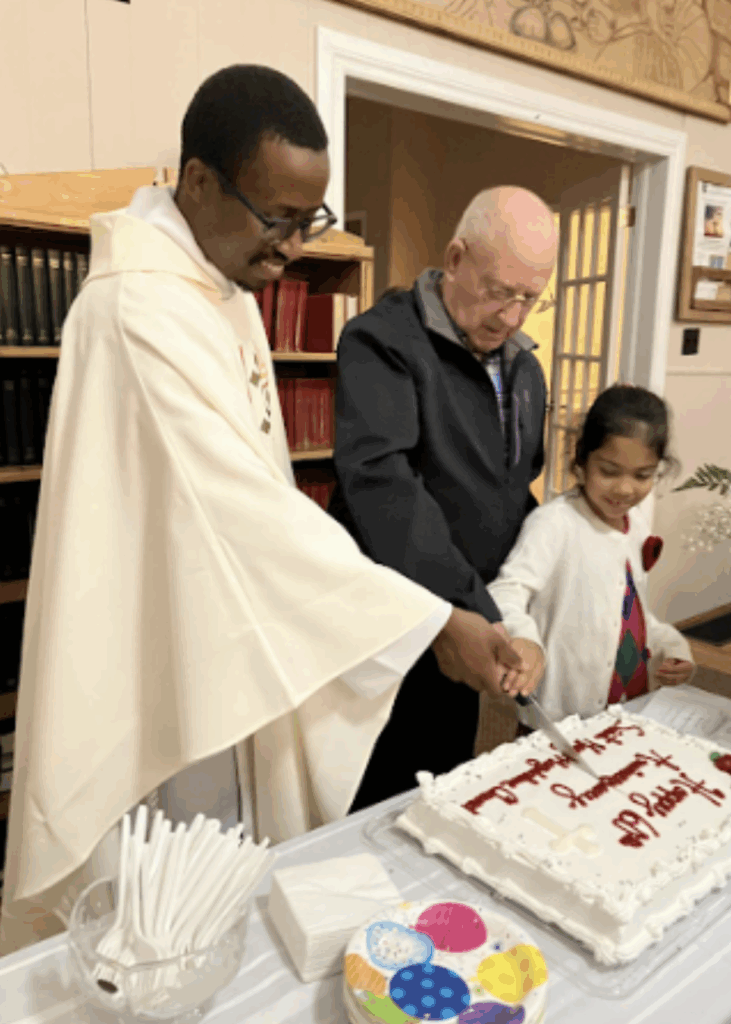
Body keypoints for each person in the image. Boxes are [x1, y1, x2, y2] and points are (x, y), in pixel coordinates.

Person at [0, 65, 524, 954]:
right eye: (277, 217)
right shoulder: (137, 309)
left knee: (232, 884)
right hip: (160, 646)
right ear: (198, 181)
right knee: (161, 910)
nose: (291, 246)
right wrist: (435, 619)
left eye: (309, 220)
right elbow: (238, 511)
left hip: (226, 616)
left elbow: (260, 497)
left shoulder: (221, 291)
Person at [329, 187, 558, 811]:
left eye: (529, 299)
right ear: (455, 257)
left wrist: (517, 609)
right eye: (498, 290)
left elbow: (516, 493)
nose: (513, 317)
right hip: (393, 620)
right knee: (373, 790)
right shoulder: (381, 342)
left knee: (439, 781)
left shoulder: (525, 371)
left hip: (468, 621)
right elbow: (386, 490)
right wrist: (473, 611)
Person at [487, 384, 695, 731]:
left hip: (629, 703)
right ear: (581, 463)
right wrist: (523, 637)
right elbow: (506, 591)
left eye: (642, 475)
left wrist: (670, 647)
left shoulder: (637, 525)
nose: (626, 489)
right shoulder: (554, 523)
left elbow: (630, 612)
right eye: (610, 471)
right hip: (559, 715)